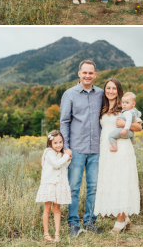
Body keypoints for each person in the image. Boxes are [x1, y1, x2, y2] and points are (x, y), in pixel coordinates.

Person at [59, 60, 104, 236]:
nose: (87, 76)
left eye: (90, 73)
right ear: (79, 73)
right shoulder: (69, 94)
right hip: (76, 149)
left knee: (93, 187)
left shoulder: (101, 93)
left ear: (95, 75)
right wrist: (66, 148)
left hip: (96, 150)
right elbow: (64, 122)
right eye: (84, 72)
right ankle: (73, 223)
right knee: (74, 187)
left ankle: (90, 221)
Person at [95, 77, 142, 232]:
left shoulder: (125, 107)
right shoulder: (102, 107)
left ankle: (120, 221)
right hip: (107, 151)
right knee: (112, 182)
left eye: (114, 88)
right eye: (108, 88)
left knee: (122, 182)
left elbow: (139, 127)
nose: (111, 91)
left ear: (119, 91)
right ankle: (125, 217)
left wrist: (124, 124)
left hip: (122, 149)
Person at [35, 130, 72, 243]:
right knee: (47, 208)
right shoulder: (48, 152)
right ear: (50, 143)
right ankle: (46, 234)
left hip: (59, 184)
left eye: (60, 142)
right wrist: (66, 156)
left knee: (57, 209)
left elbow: (63, 166)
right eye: (55, 143)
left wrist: (68, 159)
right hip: (49, 184)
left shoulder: (61, 154)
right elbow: (56, 164)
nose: (59, 145)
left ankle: (57, 234)